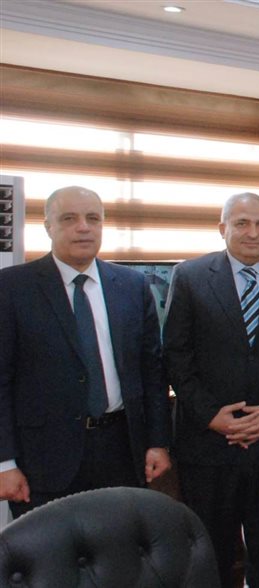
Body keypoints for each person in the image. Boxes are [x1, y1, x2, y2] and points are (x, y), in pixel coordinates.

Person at [163, 192, 259, 588]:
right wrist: (211, 416)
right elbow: (176, 356)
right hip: (209, 444)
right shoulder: (190, 277)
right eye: (242, 223)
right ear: (223, 228)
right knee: (210, 552)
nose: (253, 233)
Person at [0, 186, 171, 518]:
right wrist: (4, 462)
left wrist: (157, 442)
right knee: (49, 550)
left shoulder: (132, 286)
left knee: (118, 545)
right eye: (69, 219)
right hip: (43, 461)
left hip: (122, 452)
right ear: (48, 226)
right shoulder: (11, 287)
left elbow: (151, 372)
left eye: (93, 218)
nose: (83, 228)